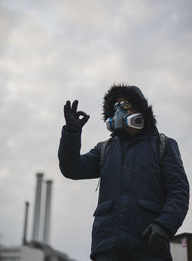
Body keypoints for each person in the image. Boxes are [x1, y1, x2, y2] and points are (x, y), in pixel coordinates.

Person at [58, 84, 189, 261]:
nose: (119, 111)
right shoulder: (105, 149)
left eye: (125, 105)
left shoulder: (163, 146)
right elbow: (71, 168)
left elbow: (178, 192)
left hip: (149, 247)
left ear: (141, 109)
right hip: (107, 247)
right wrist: (71, 134)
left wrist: (164, 226)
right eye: (115, 107)